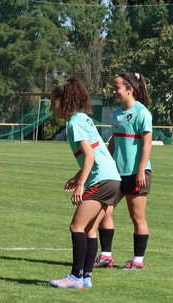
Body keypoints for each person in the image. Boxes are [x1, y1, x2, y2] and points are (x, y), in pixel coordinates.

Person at [48, 78, 121, 290]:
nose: (52, 107)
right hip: (112, 179)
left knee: (76, 226)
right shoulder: (83, 119)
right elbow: (97, 154)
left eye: (54, 102)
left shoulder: (75, 123)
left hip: (102, 180)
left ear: (64, 101)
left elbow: (89, 156)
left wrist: (81, 184)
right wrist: (78, 176)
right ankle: (86, 277)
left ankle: (74, 277)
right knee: (90, 229)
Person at [93, 72, 153, 270]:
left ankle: (138, 261)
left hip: (137, 173)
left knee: (137, 217)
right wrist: (105, 164)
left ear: (130, 89)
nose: (113, 90)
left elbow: (146, 144)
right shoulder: (118, 112)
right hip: (116, 174)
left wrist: (141, 171)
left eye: (116, 87)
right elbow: (113, 142)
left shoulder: (142, 113)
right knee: (103, 212)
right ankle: (106, 256)